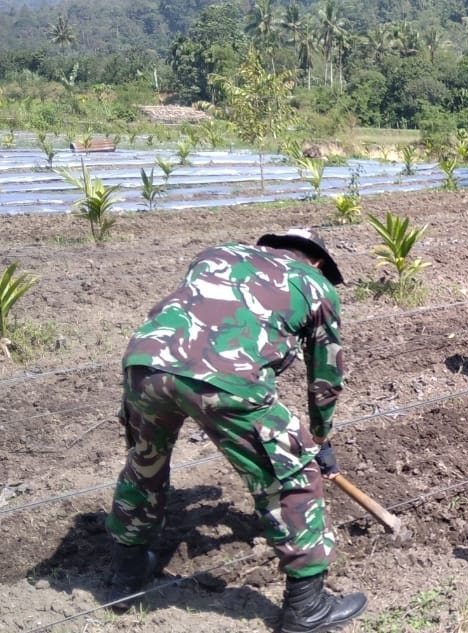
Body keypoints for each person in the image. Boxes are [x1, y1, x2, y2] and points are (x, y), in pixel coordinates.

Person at [105, 228, 367, 633]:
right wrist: (319, 437)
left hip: (145, 363)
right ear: (317, 261)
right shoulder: (315, 285)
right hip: (228, 379)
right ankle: (307, 607)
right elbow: (326, 377)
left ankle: (127, 573)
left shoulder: (217, 253)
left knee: (144, 465)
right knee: (291, 478)